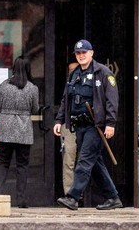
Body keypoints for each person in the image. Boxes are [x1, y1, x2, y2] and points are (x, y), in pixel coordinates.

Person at [53, 39, 122, 211]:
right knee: (95, 163)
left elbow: (112, 100)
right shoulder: (74, 74)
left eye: (84, 52)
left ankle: (73, 197)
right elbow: (65, 99)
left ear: (92, 53)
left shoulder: (104, 73)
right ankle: (113, 197)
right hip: (80, 126)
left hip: (95, 126)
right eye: (78, 53)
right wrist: (59, 120)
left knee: (83, 160)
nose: (81, 55)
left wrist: (110, 123)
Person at [0, 56, 39, 208]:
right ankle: (21, 199)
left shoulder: (4, 85)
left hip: (4, 127)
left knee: (2, 162)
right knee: (22, 165)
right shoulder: (32, 88)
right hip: (23, 129)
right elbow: (35, 109)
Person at [61, 62, 79, 195]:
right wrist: (58, 121)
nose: (72, 72)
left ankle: (80, 192)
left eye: (75, 69)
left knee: (85, 161)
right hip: (69, 125)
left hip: (85, 126)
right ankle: (69, 194)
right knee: (69, 160)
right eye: (70, 70)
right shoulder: (68, 86)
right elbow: (63, 104)